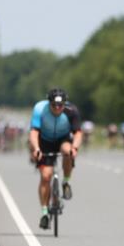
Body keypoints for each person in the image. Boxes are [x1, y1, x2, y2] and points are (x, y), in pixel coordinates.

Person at [29, 88, 82, 229]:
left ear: (65, 103)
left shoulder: (71, 111)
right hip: (44, 142)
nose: (58, 108)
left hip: (62, 139)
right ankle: (45, 213)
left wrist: (74, 148)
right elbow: (34, 132)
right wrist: (36, 149)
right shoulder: (40, 109)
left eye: (61, 105)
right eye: (54, 105)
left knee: (67, 151)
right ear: (49, 103)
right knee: (46, 176)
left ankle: (65, 182)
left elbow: (78, 133)